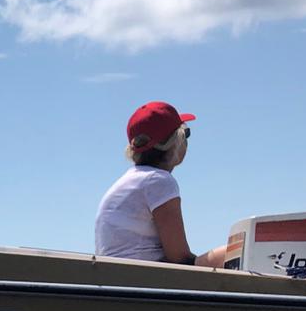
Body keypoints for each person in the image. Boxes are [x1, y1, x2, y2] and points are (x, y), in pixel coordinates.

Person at [94, 101, 226, 267]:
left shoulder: (131, 181)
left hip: (124, 277)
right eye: (186, 134)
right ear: (175, 142)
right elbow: (179, 258)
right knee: (243, 249)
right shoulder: (159, 181)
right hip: (144, 279)